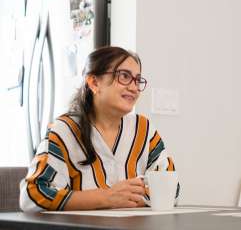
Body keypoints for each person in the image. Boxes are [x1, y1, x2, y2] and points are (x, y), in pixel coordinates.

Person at [20, 46, 179, 211]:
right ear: (94, 83)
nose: (134, 88)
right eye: (124, 76)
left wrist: (126, 198)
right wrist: (107, 197)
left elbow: (171, 190)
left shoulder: (144, 129)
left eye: (137, 80)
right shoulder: (65, 130)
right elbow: (34, 194)